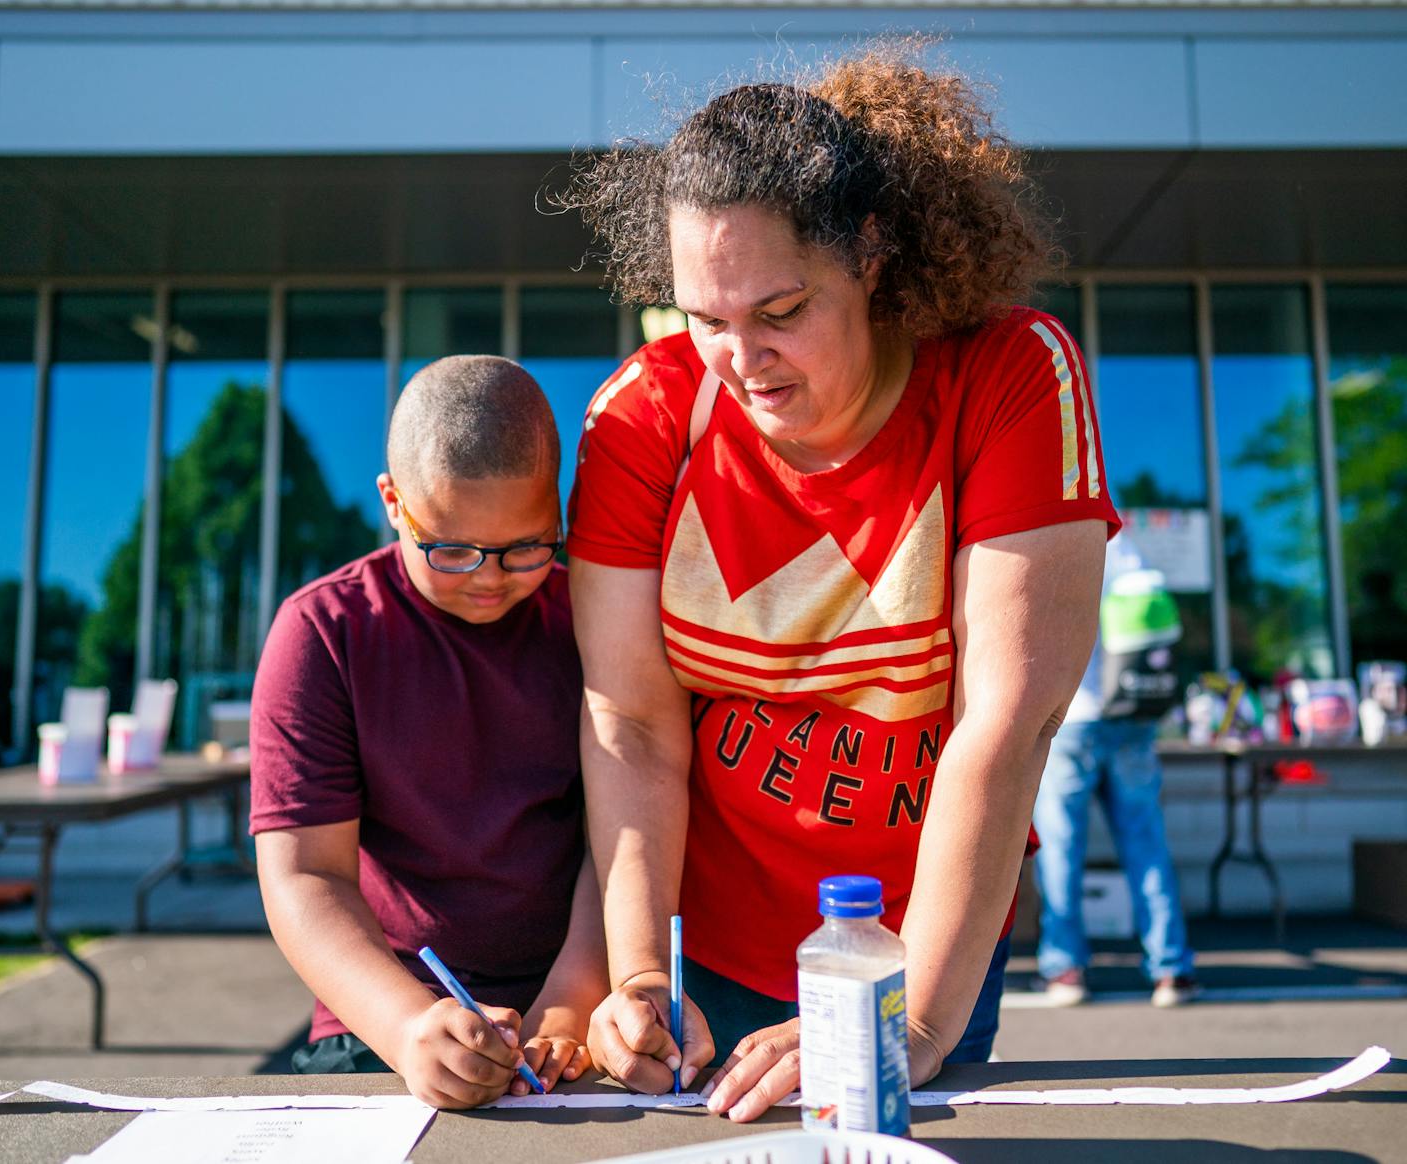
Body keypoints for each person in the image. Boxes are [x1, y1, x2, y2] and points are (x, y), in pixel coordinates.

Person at [558, 47, 1120, 1120]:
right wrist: (636, 976)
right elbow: (629, 722)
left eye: (779, 311)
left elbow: (1005, 722)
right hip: (706, 946)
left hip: (921, 942)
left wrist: (903, 1023)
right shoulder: (641, 415)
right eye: (705, 318)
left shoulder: (1007, 376)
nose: (741, 357)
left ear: (867, 255)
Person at [250, 356, 606, 1108]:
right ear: (392, 502)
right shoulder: (325, 633)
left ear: (559, 511)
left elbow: (622, 839)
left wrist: (575, 995)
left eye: (528, 546)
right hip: (381, 1017)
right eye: (450, 549)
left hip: (579, 1004)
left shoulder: (595, 622)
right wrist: (407, 1024)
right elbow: (306, 874)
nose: (489, 577)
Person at [1032, 532, 1198, 1008]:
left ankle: (1065, 969)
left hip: (1074, 718)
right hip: (1132, 717)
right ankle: (1172, 970)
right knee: (1146, 843)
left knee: (1062, 847)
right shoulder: (1128, 546)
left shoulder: (1060, 538)